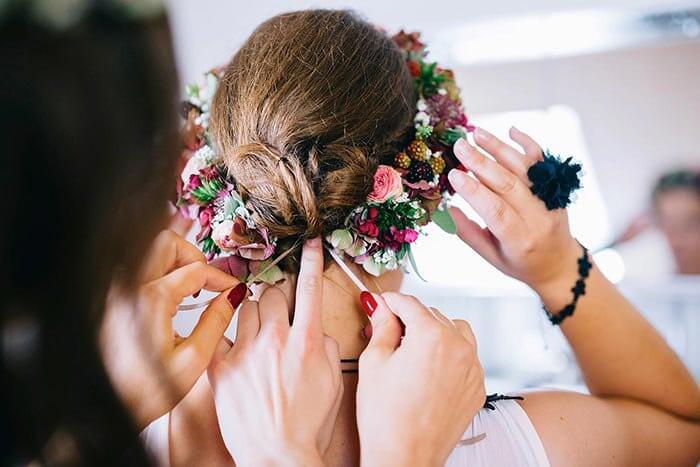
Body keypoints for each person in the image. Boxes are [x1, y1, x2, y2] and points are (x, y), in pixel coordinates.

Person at [188, 9, 700, 466]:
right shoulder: (535, 442)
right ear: (427, 187)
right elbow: (684, 430)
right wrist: (559, 270)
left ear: (216, 180)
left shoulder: (141, 419)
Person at [1, 3, 483, 466]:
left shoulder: (105, 427)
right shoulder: (549, 430)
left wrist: (101, 421)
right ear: (420, 195)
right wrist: (555, 283)